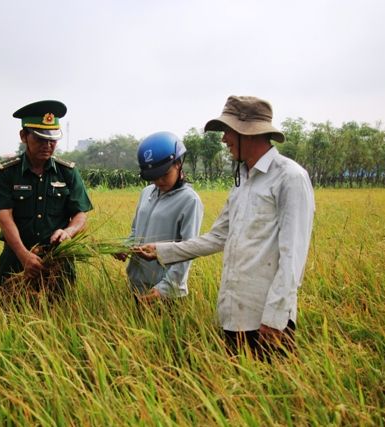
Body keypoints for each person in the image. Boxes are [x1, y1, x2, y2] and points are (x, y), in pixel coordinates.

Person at [135, 96, 315, 358]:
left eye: (228, 131)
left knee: (270, 392)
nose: (224, 139)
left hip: (267, 319)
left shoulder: (289, 177)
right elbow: (218, 237)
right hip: (234, 314)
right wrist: (161, 251)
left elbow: (293, 257)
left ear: (248, 132)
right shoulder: (243, 178)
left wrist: (276, 317)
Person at [0, 100, 93, 300]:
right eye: (40, 139)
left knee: (60, 320)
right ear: (24, 136)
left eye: (52, 140)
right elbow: (4, 216)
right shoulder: (5, 172)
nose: (47, 145)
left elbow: (80, 213)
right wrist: (23, 255)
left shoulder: (67, 172)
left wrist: (68, 232)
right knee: (10, 318)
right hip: (16, 261)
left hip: (58, 262)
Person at [117, 131, 203, 303]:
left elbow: (189, 250)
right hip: (137, 284)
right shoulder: (147, 192)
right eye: (154, 177)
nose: (159, 181)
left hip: (165, 292)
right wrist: (126, 247)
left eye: (164, 174)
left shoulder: (189, 200)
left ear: (178, 163)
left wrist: (164, 289)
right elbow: (136, 230)